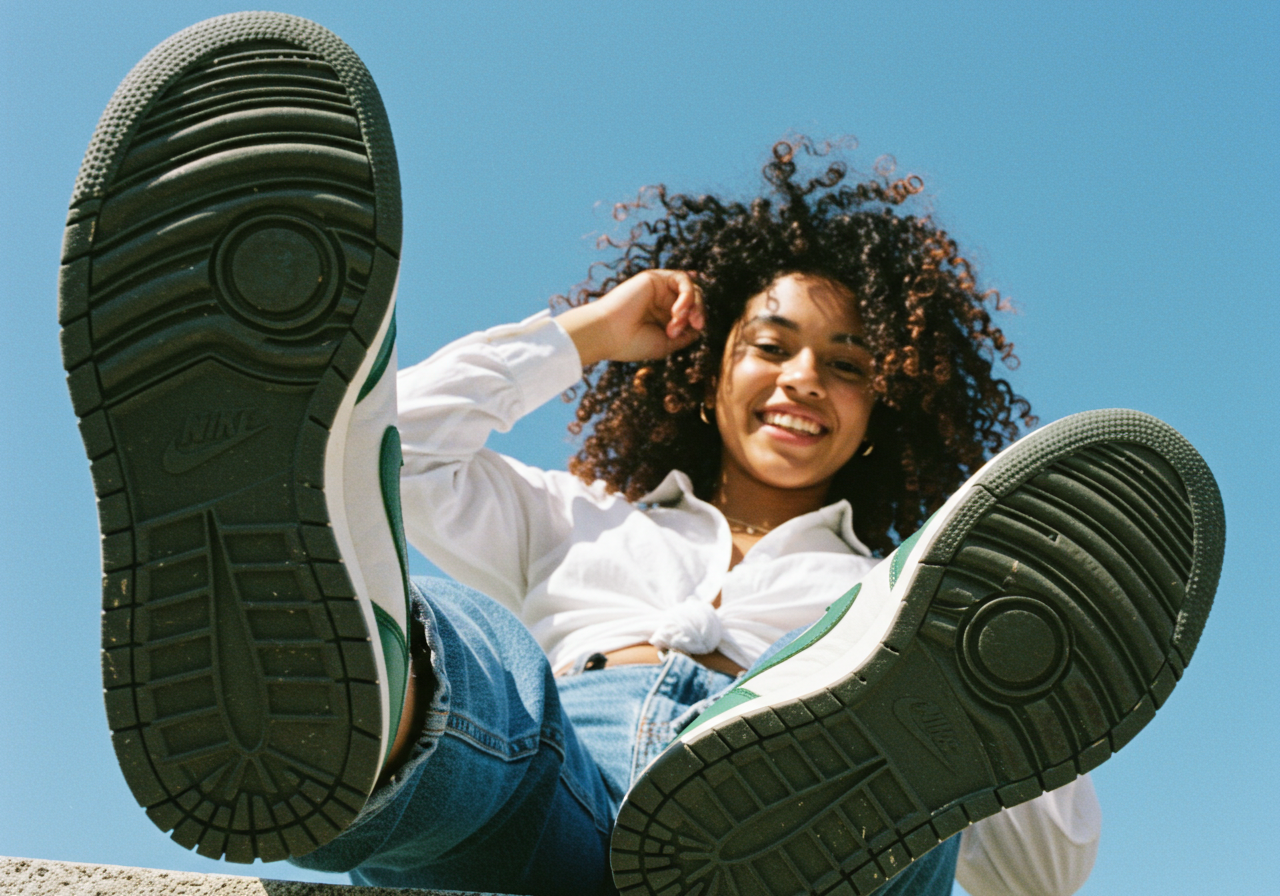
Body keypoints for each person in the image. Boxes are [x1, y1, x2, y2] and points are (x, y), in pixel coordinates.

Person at [60, 13, 1223, 896]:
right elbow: (384, 461)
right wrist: (584, 336)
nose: (803, 377)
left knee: (881, 753)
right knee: (486, 672)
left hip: (797, 823)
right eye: (770, 343)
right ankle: (347, 701)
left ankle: (834, 770)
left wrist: (1014, 653)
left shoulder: (899, 591)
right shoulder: (576, 511)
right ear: (708, 369)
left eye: (847, 361)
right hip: (548, 783)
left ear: (890, 405)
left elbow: (1042, 866)